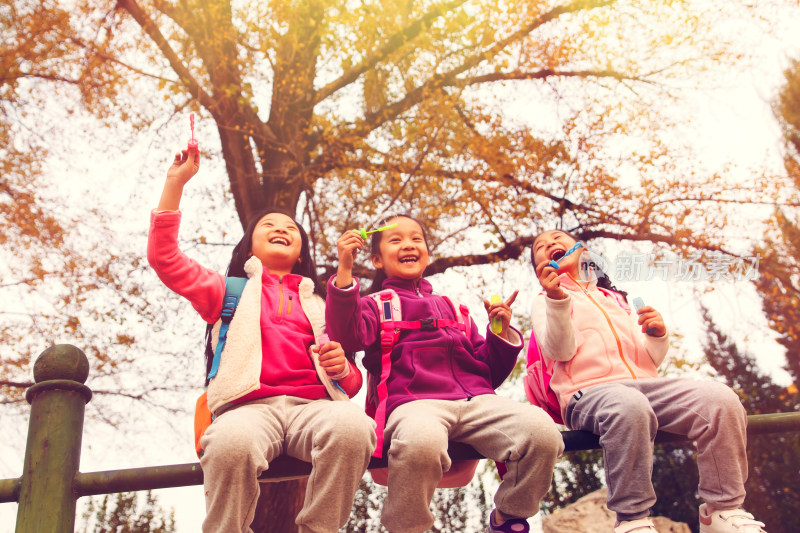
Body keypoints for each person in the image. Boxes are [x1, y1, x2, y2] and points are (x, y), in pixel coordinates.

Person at [147, 148, 376, 533]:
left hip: (313, 409)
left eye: (291, 228)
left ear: (302, 252)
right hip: (249, 410)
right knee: (230, 444)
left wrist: (343, 367)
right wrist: (175, 182)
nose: (282, 229)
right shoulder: (227, 292)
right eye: (269, 224)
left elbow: (349, 383)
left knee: (354, 427)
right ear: (249, 245)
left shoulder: (321, 303)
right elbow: (165, 258)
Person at [325, 214, 563, 533]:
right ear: (377, 259)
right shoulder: (373, 304)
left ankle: (510, 514)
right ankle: (406, 527)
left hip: (476, 401)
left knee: (541, 432)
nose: (408, 244)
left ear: (426, 252)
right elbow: (346, 335)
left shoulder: (454, 308)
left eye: (416, 239)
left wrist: (501, 334)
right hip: (412, 403)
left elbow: (487, 373)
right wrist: (344, 271)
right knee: (421, 441)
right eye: (395, 240)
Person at [530, 229, 767, 533]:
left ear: (582, 251)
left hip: (644, 389)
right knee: (629, 405)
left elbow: (647, 361)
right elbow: (560, 351)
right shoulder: (544, 301)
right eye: (540, 246)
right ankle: (633, 521)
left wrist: (657, 336)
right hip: (587, 395)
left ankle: (721, 511)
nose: (549, 244)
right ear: (539, 266)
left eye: (556, 238)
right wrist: (557, 300)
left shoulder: (615, 299)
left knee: (720, 400)